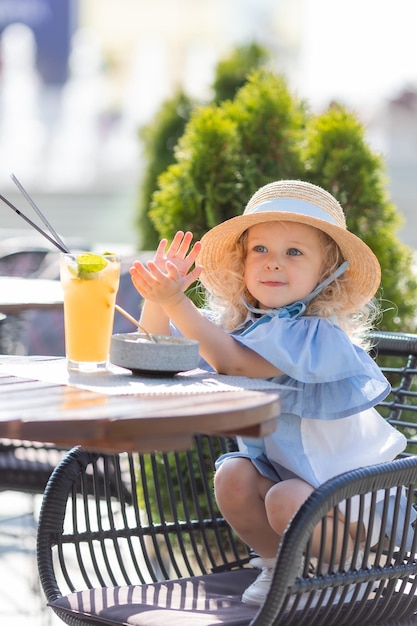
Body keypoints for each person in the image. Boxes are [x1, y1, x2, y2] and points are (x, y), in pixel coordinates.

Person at [130, 179, 409, 606]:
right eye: (260, 250)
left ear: (327, 273)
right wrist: (158, 296)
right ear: (242, 263)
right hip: (292, 490)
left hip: (349, 504)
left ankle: (347, 573)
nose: (274, 263)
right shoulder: (245, 329)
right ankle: (282, 566)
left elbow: (233, 363)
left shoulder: (317, 335)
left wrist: (176, 305)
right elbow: (157, 353)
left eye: (294, 252)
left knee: (285, 497)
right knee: (234, 477)